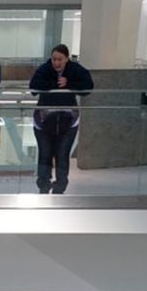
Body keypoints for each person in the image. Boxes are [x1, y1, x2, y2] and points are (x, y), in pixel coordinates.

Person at [28, 44, 94, 196]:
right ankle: (43, 186)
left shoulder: (75, 69)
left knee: (62, 154)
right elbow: (34, 87)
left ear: (67, 59)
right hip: (44, 121)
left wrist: (69, 84)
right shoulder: (44, 69)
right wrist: (54, 85)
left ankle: (60, 188)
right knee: (45, 153)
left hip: (68, 121)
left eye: (60, 59)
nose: (56, 63)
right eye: (54, 59)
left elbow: (88, 86)